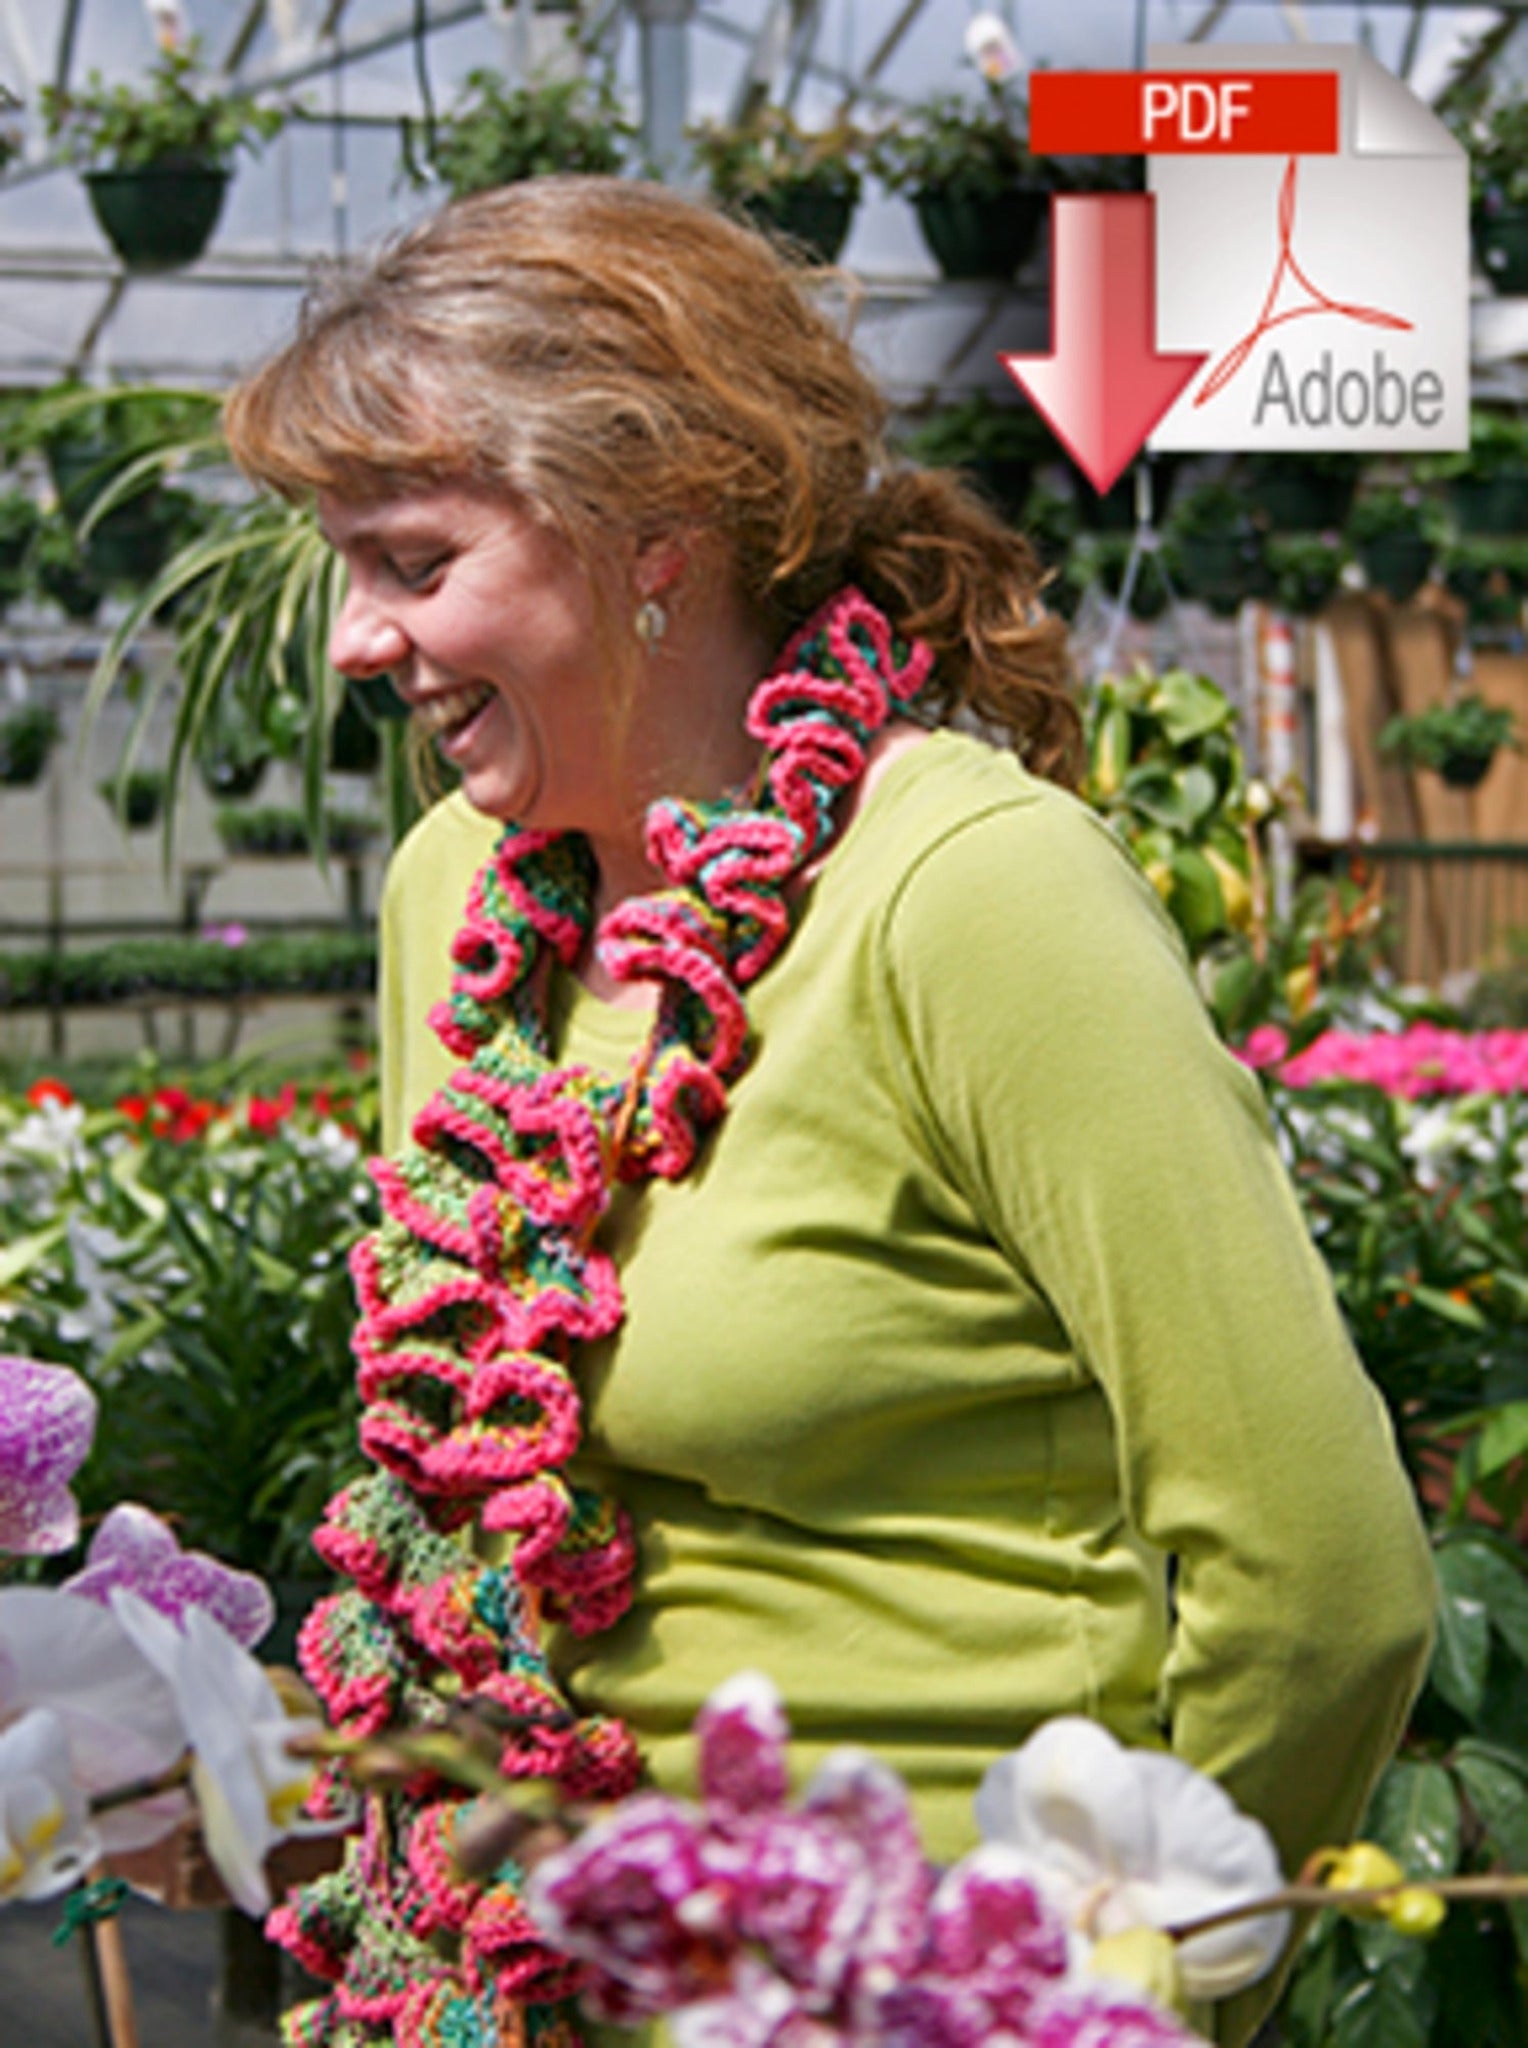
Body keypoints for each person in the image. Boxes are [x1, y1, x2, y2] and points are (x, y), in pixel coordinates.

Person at [223, 176, 1434, 2047]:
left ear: (653, 534)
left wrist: (1117, 1991)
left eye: (409, 559)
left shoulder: (970, 892)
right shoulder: (455, 897)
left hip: (914, 1980)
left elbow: (1323, 1575)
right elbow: (466, 1482)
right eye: (344, 566)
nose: (351, 642)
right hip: (517, 1977)